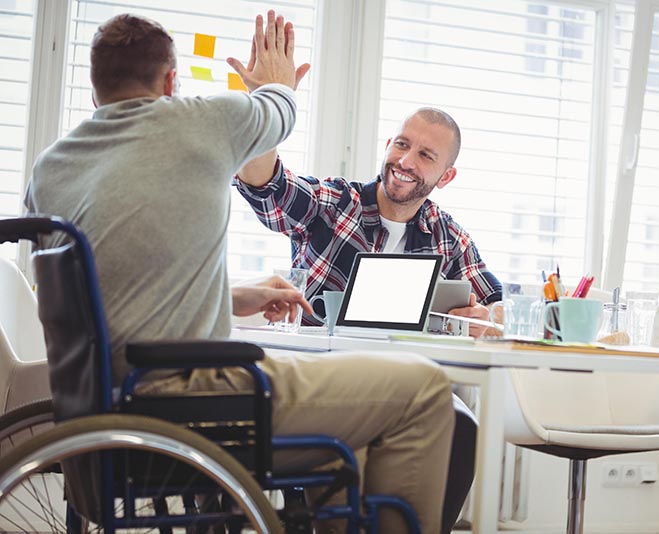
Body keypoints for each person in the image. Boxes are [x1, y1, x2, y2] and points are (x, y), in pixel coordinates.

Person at [24, 10, 454, 534]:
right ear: (169, 82)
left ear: (94, 94)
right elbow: (279, 108)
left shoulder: (50, 168)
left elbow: (107, 296)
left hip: (103, 407)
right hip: (197, 397)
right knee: (426, 388)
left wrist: (232, 296)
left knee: (349, 441)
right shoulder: (199, 121)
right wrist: (272, 83)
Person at [235, 107, 502, 531]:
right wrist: (266, 107)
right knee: (361, 444)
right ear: (388, 145)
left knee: (462, 427)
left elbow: (498, 307)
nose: (406, 161)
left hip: (404, 388)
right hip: (321, 380)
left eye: (426, 156)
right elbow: (268, 187)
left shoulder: (447, 235)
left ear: (445, 178)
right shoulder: (337, 203)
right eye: (402, 144)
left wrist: (482, 314)